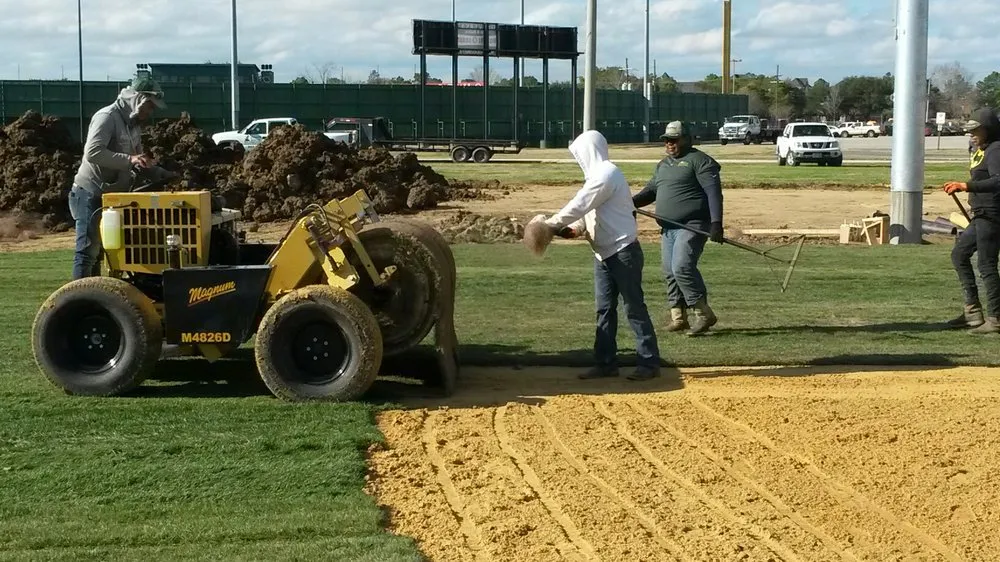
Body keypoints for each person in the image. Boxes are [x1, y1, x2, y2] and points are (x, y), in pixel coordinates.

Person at [542, 130, 662, 381]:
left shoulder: (607, 174)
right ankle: (606, 363)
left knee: (634, 308)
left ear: (590, 151)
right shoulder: (596, 178)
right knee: (604, 310)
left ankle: (649, 364)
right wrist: (572, 230)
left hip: (623, 252)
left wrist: (550, 224)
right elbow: (588, 215)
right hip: (602, 255)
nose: (579, 160)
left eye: (580, 155)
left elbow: (580, 204)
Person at [69, 76, 174, 279]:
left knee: (100, 252)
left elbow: (138, 160)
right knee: (87, 251)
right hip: (90, 193)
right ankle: (79, 303)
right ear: (139, 99)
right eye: (150, 106)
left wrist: (159, 173)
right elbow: (93, 152)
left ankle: (95, 295)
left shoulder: (132, 124)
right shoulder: (107, 117)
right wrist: (130, 159)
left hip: (111, 198)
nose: (150, 112)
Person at [632, 121, 724, 336]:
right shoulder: (663, 165)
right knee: (669, 272)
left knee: (682, 267)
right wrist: (629, 203)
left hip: (692, 225)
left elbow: (714, 194)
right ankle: (678, 317)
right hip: (668, 228)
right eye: (666, 140)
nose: (669, 144)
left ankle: (703, 314)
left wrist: (717, 223)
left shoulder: (700, 161)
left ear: (686, 139)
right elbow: (651, 191)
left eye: (674, 140)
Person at [943, 107, 1000, 334]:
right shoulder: (983, 149)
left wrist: (967, 185)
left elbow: (998, 181)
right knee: (959, 254)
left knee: (987, 265)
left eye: (975, 130)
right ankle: (972, 312)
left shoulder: (996, 150)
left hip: (992, 214)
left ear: (988, 129)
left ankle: (995, 319)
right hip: (981, 215)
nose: (971, 135)